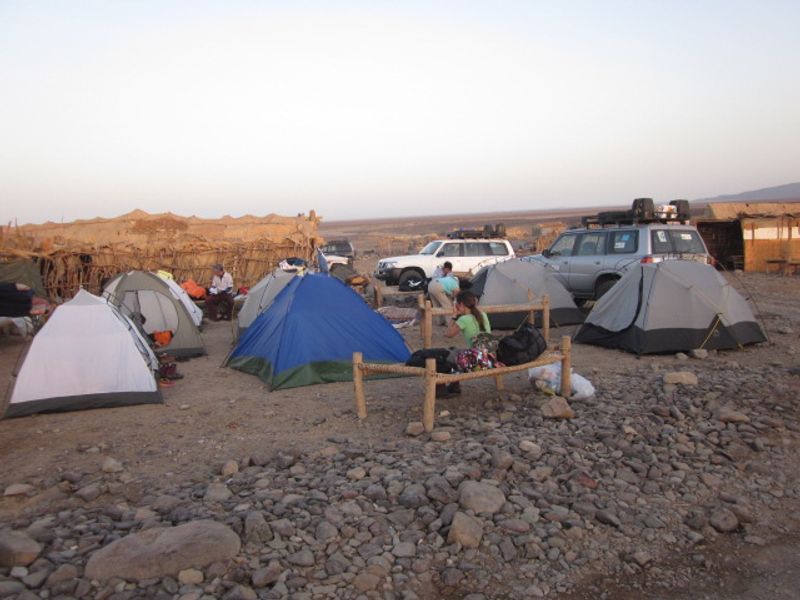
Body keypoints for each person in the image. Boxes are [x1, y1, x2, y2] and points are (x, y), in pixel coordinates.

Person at [427, 262, 460, 326]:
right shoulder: (456, 285)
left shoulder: (451, 278)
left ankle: (439, 321)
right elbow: (455, 294)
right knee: (447, 305)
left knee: (437, 305)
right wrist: (453, 300)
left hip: (430, 286)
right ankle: (450, 323)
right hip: (437, 287)